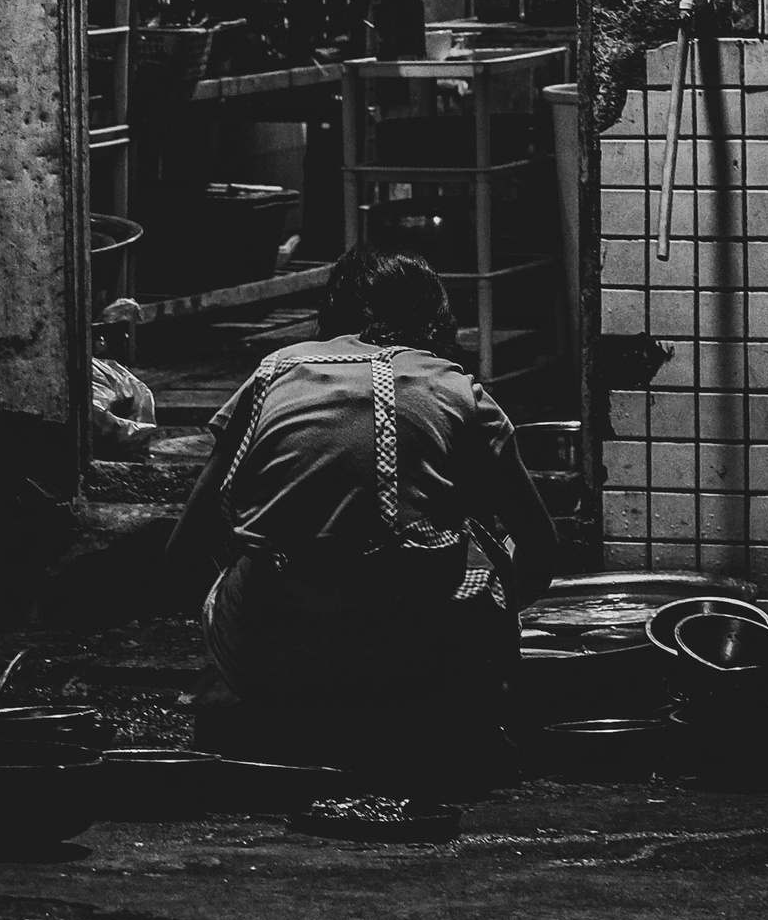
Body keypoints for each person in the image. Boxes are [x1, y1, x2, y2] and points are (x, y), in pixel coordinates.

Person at [165, 245, 559, 709]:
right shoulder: (459, 390)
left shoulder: (275, 372)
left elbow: (183, 553)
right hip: (412, 665)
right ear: (435, 318)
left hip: (264, 664)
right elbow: (539, 549)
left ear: (331, 311)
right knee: (475, 547)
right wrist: (486, 615)